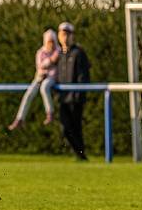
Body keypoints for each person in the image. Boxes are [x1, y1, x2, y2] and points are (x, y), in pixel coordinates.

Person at [9, 29, 59, 130]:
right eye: (49, 42)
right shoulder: (40, 52)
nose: (51, 45)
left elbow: (54, 68)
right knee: (29, 93)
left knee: (44, 88)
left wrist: (47, 66)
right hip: (40, 77)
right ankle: (20, 119)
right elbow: (40, 66)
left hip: (51, 78)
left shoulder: (58, 51)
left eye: (52, 42)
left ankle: (50, 112)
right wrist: (49, 62)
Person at [55, 21, 90, 161]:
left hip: (75, 98)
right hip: (63, 98)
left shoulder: (78, 53)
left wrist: (78, 94)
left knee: (76, 128)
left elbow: (83, 75)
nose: (65, 37)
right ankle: (80, 154)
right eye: (62, 34)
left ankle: (81, 156)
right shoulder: (58, 54)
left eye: (67, 34)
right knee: (65, 128)